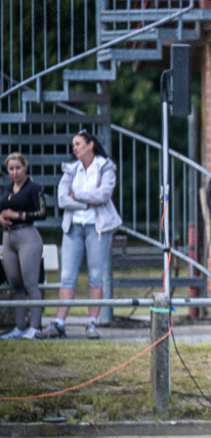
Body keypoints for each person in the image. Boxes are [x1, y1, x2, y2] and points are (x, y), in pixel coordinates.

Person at [37, 130, 123, 340]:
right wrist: (87, 201)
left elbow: (104, 195)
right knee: (67, 277)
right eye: (73, 144)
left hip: (97, 227)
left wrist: (76, 196)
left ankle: (92, 323)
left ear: (90, 144)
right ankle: (59, 323)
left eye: (78, 144)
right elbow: (62, 199)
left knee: (95, 276)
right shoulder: (71, 169)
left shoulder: (105, 167)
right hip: (73, 227)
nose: (74, 148)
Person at [1, 153, 47, 340]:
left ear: (25, 167)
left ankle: (34, 327)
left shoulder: (33, 188)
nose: (14, 172)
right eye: (11, 169)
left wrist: (18, 215)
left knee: (31, 284)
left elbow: (42, 213)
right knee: (15, 284)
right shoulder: (7, 188)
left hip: (27, 235)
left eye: (17, 168)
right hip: (8, 237)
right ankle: (19, 326)